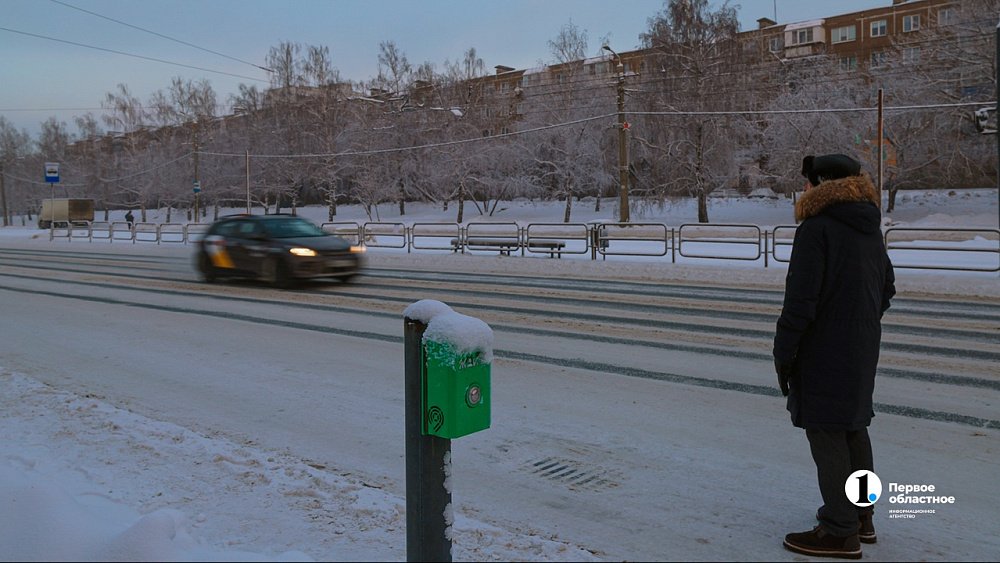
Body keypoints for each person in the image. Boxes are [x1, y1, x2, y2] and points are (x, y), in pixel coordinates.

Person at [774, 153, 896, 559]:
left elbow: (800, 302)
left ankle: (838, 530)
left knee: (827, 431)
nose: (804, 188)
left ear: (822, 184)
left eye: (809, 181)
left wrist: (784, 352)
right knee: (853, 428)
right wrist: (859, 323)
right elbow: (887, 289)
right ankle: (862, 518)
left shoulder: (817, 230)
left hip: (824, 349)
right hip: (862, 347)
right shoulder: (867, 228)